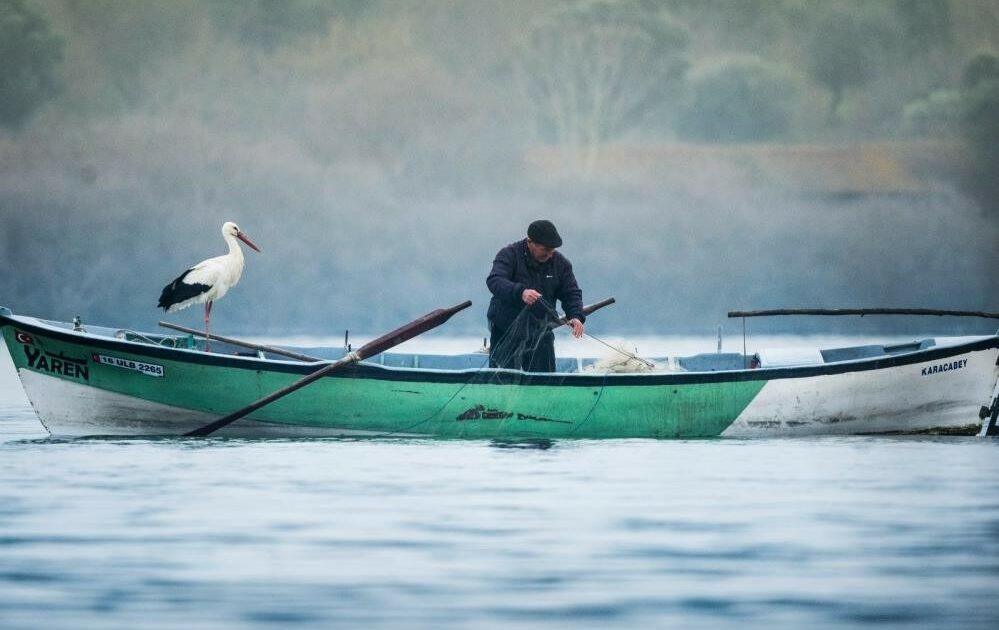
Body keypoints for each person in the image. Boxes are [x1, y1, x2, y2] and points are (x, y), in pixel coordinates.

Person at [486, 219, 586, 372]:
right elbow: (495, 280)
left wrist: (576, 315)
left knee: (544, 380)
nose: (549, 254)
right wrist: (521, 292)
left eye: (552, 250)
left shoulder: (560, 264)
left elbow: (571, 293)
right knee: (502, 380)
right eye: (545, 249)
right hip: (505, 329)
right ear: (530, 242)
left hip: (541, 331)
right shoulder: (508, 254)